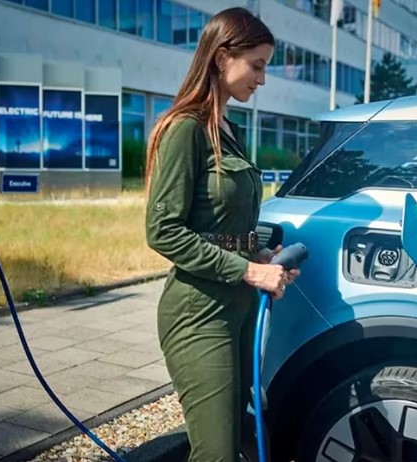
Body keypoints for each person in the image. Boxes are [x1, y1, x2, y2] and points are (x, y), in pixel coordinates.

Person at [144, 6, 299, 462]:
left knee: (236, 439)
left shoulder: (228, 130)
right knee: (217, 453)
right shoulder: (185, 129)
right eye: (257, 65)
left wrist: (261, 255)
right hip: (199, 312)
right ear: (221, 58)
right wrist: (247, 270)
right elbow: (163, 231)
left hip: (239, 306)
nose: (263, 79)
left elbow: (223, 223)